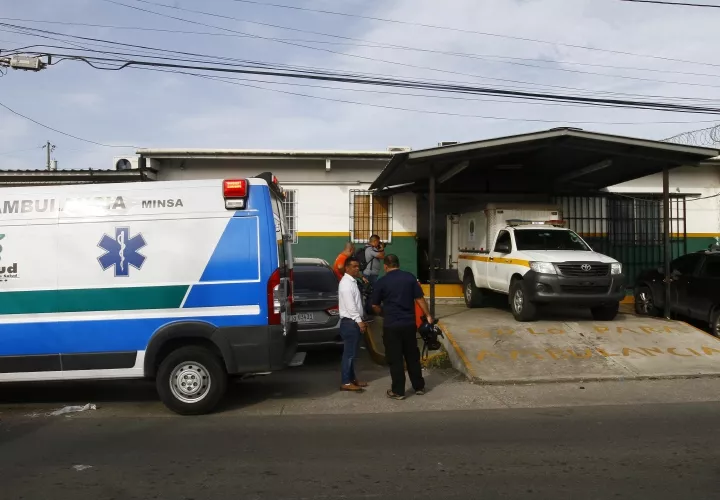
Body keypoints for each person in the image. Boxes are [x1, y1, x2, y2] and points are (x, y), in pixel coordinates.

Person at [371, 254, 433, 400]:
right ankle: (419, 387)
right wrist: (428, 315)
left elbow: (375, 305)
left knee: (395, 359)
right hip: (409, 325)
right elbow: (419, 299)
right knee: (412, 356)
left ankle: (398, 391)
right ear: (398, 264)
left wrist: (383, 313)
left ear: (386, 266)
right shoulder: (410, 278)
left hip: (391, 325)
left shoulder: (382, 282)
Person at [337, 256, 368, 392]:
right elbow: (351, 306)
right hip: (350, 322)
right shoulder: (346, 284)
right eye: (354, 266)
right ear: (347, 268)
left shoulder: (352, 282)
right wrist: (359, 321)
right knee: (348, 354)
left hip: (353, 321)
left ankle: (352, 379)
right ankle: (346, 382)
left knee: (352, 353)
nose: (357, 269)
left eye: (358, 266)